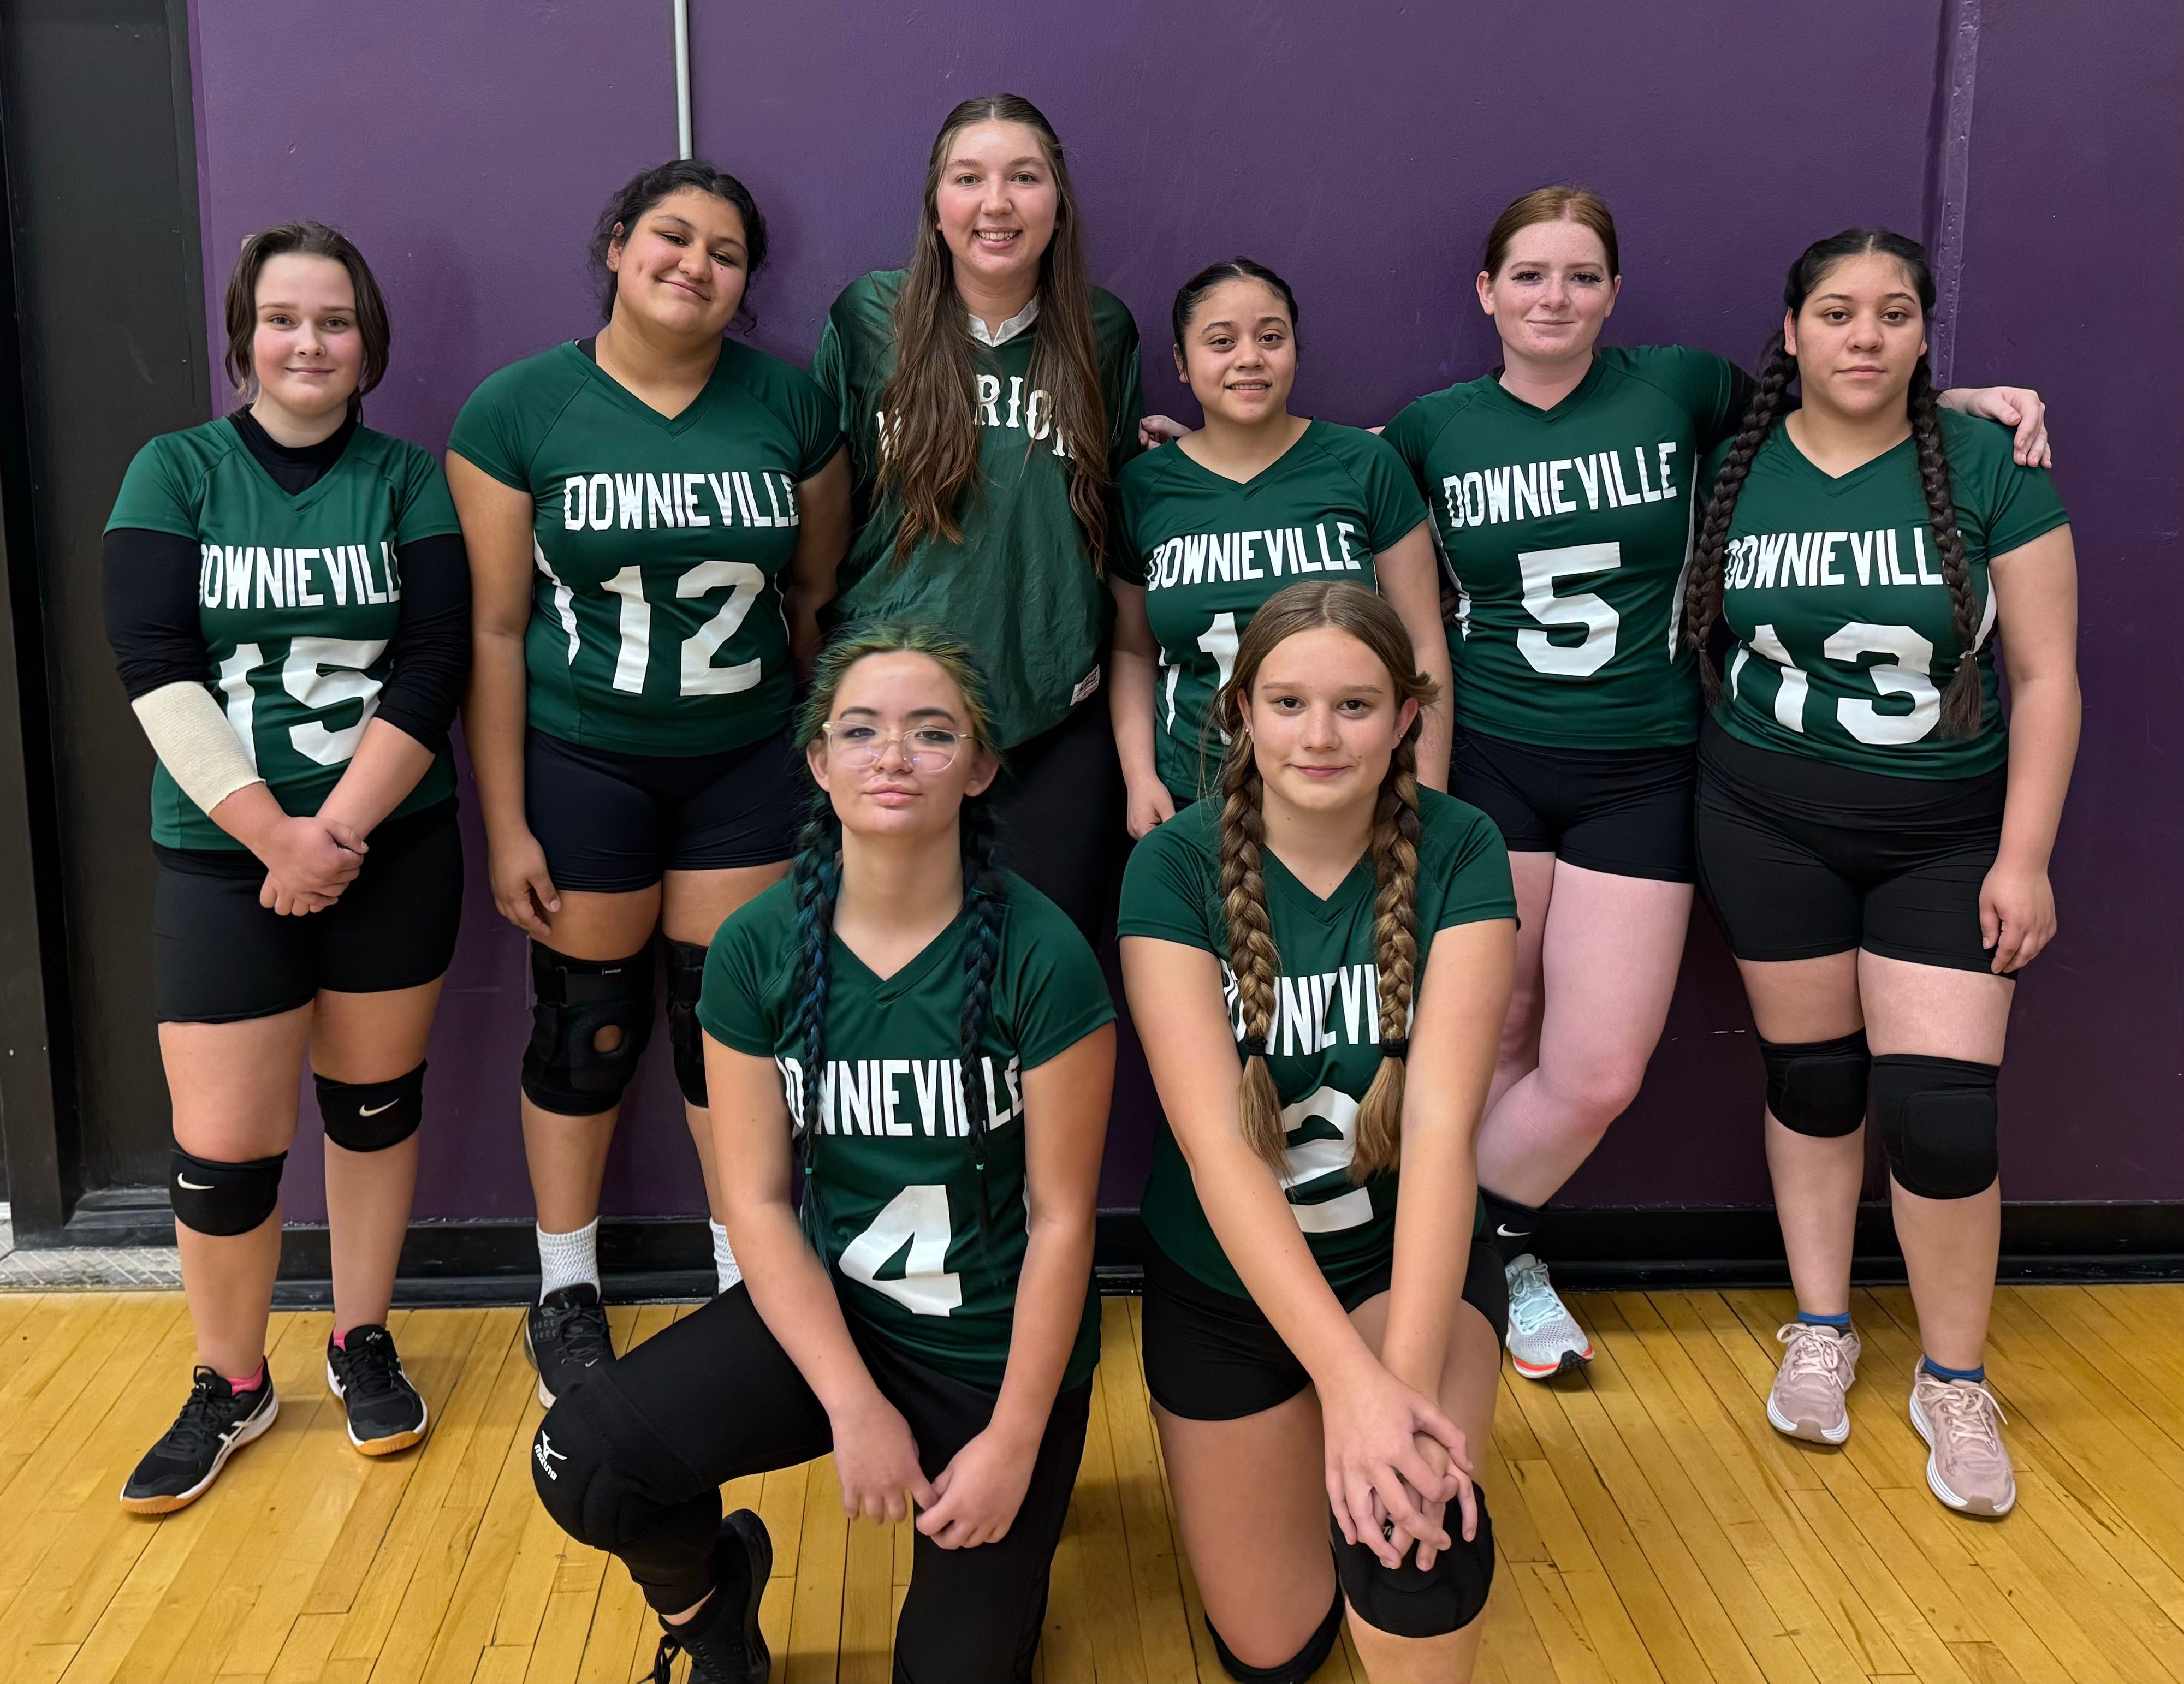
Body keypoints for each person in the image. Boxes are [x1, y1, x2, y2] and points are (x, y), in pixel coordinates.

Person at [1376, 186, 2054, 1378]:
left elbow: (1834, 400)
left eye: (1581, 275)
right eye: (1526, 274)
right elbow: (1313, 477)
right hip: (1491, 756)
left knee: (1592, 1071)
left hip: (1646, 760)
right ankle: (1502, 1264)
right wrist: (1192, 444)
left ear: (1614, 295)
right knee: (1496, 1035)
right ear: (1484, 292)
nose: (1553, 296)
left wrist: (1952, 401)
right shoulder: (1427, 428)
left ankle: (1437, 1242)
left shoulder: (1679, 388)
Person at [529, 625, 1115, 1684]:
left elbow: (1066, 1219)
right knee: (581, 1461)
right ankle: (714, 1610)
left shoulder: (1044, 954)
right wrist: (851, 1403)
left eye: (930, 733)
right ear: (818, 762)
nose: (893, 755)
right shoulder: (757, 947)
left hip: (994, 1358)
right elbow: (752, 1201)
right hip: (840, 1319)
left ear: (979, 768)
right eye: (861, 730)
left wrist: (1015, 1437)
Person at [1682, 229, 2076, 1517]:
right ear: (1788, 331)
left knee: (1943, 1114)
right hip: (1763, 818)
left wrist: (2024, 854)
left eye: (1894, 314)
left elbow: (2045, 674)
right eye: (1837, 313)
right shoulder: (1732, 458)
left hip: (1945, 832)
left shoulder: (1987, 462)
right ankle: (1820, 1324)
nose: (1865, 336)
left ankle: (1953, 1377)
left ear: (1923, 335)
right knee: (1811, 1080)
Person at [448, 159, 851, 1406]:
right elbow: (498, 630)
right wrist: (507, 814)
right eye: (671, 237)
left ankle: (748, 1268)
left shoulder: (792, 406)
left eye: (726, 252)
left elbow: (817, 600)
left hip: (743, 760)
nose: (696, 264)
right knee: (587, 1025)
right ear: (617, 245)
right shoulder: (519, 409)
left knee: (723, 1031)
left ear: (747, 281)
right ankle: (564, 1284)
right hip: (584, 759)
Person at [103, 222, 470, 1510]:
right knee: (225, 1152)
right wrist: (277, 837)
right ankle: (231, 1382)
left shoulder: (406, 479)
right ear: (242, 336)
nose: (308, 342)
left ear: (369, 341)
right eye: (282, 319)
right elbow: (153, 659)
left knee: (370, 1107)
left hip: (394, 840)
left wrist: (340, 832)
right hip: (221, 856)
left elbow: (435, 663)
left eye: (333, 320)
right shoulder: (177, 469)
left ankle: (361, 1334)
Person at [1120, 580, 1517, 1683]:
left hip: (1397, 1265)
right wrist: (1346, 1389)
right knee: (1272, 1649)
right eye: (1288, 703)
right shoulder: (1174, 866)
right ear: (1240, 710)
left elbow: (1440, 1134)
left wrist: (1387, 1393)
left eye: (1355, 705)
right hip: (1225, 1288)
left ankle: (1375, 1463)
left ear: (1405, 717)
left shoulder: (1460, 848)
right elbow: (1217, 1150)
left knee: (1406, 1545)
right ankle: (1311, 1426)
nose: (1319, 735)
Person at [814, 93, 1143, 942]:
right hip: (895, 710)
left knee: (1043, 978)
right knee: (899, 974)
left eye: (1023, 178)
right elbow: (820, 507)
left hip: (1052, 711)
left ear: (1057, 203)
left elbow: (1121, 514)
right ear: (936, 204)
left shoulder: (1101, 331)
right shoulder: (868, 318)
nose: (996, 204)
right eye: (970, 178)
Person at [1111, 258, 1450, 835]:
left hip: (1351, 794)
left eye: (1271, 337)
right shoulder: (1145, 487)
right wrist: (1139, 779)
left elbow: (1422, 640)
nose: (1250, 357)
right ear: (1181, 364)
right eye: (1221, 341)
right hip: (1193, 796)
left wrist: (1427, 795)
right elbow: (1132, 652)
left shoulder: (1363, 466)